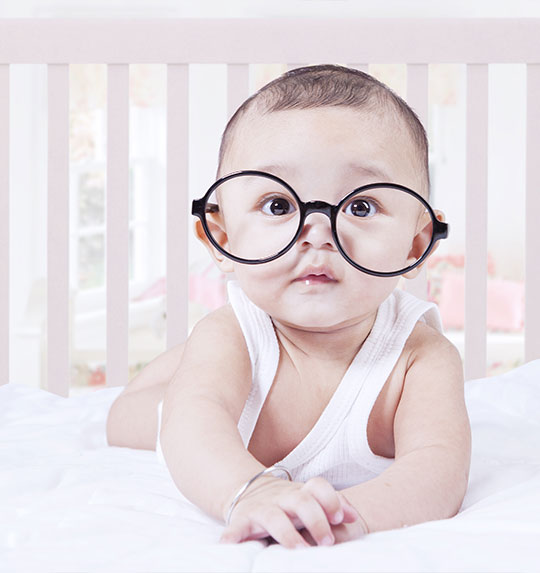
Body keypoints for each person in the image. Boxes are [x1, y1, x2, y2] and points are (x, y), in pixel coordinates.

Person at [106, 65, 471, 549]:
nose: (317, 232)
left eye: (360, 207)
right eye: (278, 205)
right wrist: (253, 492)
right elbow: (193, 425)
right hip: (194, 403)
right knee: (132, 418)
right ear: (221, 237)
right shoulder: (232, 334)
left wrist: (345, 516)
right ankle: (175, 372)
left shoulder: (420, 358)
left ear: (415, 243)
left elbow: (438, 468)